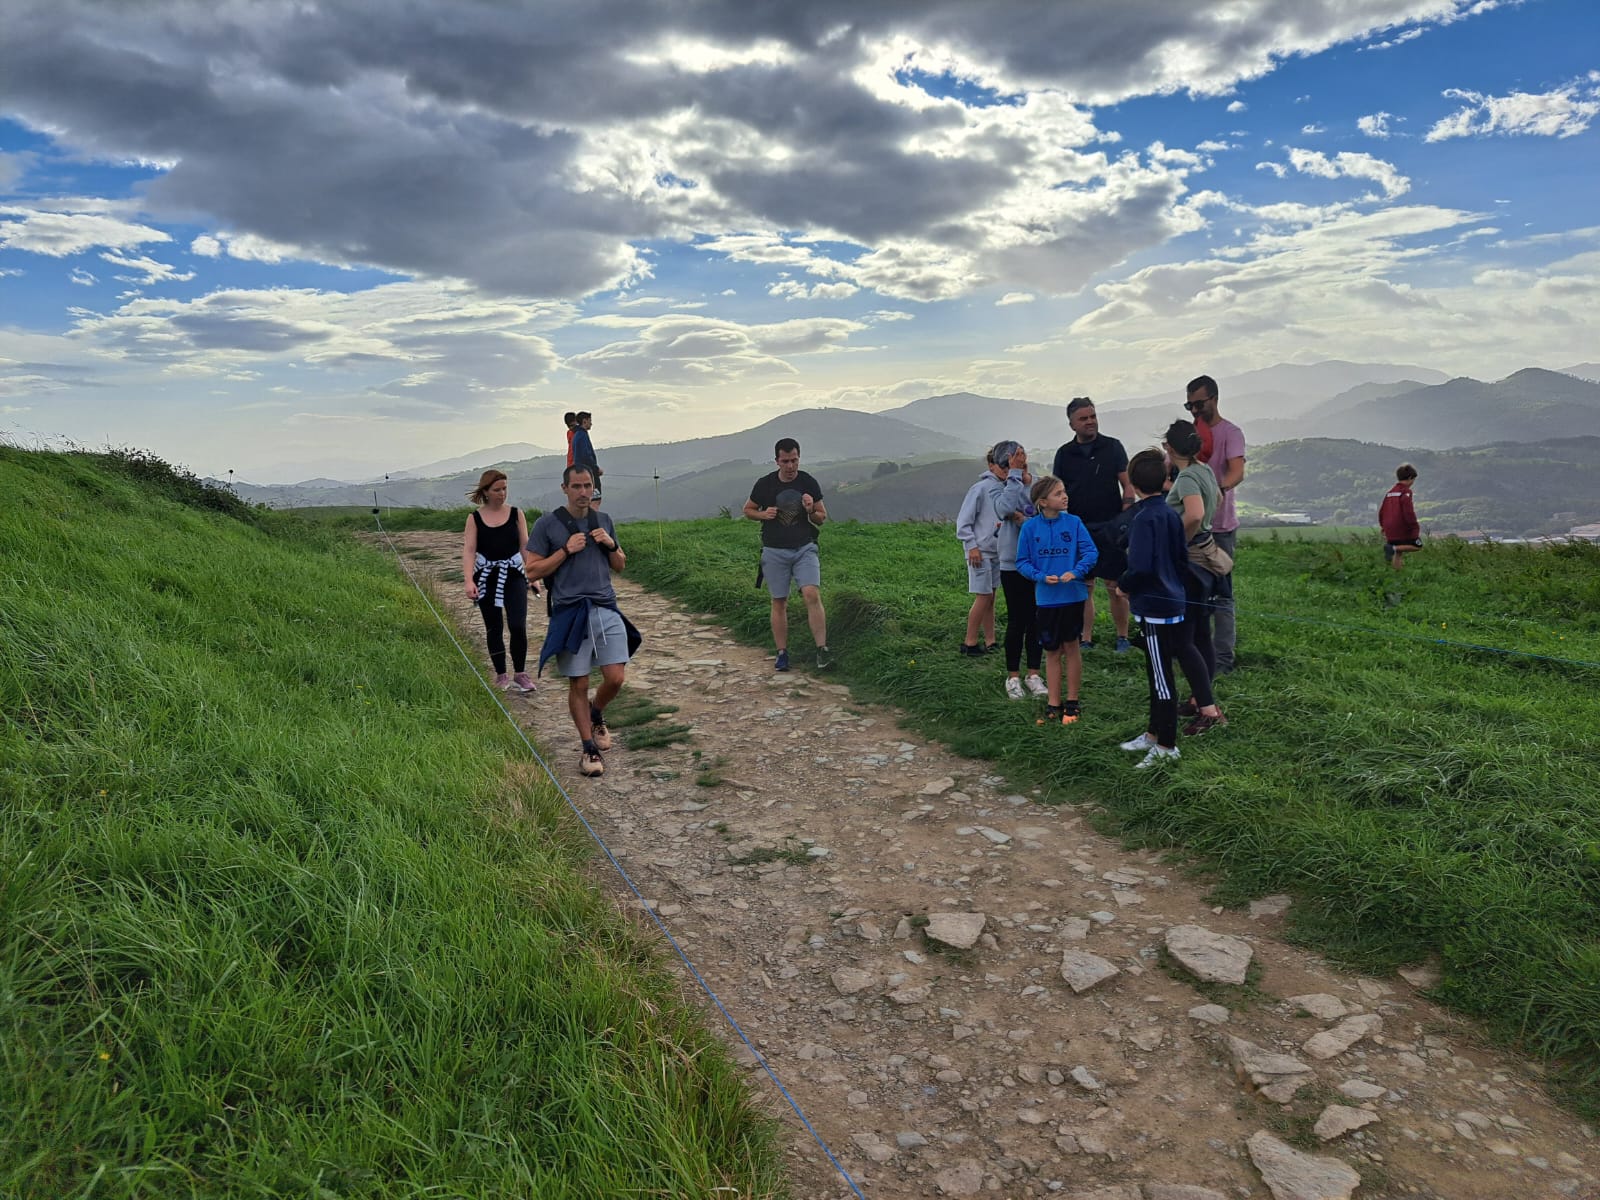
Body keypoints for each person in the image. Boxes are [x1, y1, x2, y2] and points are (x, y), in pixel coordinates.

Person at [525, 464, 640, 778]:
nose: (583, 492)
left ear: (594, 488)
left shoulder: (603, 521)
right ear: (564, 489)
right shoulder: (547, 524)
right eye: (576, 486)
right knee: (580, 681)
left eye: (588, 486)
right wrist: (565, 549)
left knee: (615, 678)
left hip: (605, 606)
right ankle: (588, 747)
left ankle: (596, 711)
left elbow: (620, 565)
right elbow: (532, 571)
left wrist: (611, 544)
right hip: (570, 611)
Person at [1110, 449, 1189, 768]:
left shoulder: (1143, 519)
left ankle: (1167, 745)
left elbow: (1140, 567)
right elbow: (1182, 558)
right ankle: (1153, 734)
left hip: (1155, 606)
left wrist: (1123, 586)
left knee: (1160, 676)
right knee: (1158, 670)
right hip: (1172, 600)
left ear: (1135, 483)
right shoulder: (1169, 512)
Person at [1051, 397, 1134, 653]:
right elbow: (1057, 489)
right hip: (1077, 529)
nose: (1090, 422)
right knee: (1083, 586)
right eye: (1083, 418)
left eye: (1093, 416)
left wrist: (1125, 517)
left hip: (1110, 527)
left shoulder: (1113, 447)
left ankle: (1123, 637)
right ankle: (1085, 638)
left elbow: (1127, 484)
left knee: (1115, 586)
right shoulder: (1064, 454)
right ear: (1072, 424)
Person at [1163, 421, 1229, 737]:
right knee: (1202, 634)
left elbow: (1194, 514)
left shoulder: (1188, 476)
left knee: (1183, 640)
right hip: (1208, 555)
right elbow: (1217, 497)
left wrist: (1178, 544)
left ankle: (1208, 710)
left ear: (1170, 448)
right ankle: (1199, 698)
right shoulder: (1204, 470)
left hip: (1191, 560)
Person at [1015, 475, 1097, 725]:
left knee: (1071, 647)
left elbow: (1091, 551)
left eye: (1064, 491)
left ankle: (1072, 701)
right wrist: (1040, 576)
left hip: (1073, 597)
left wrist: (1077, 571)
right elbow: (1022, 562)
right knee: (1051, 651)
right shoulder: (1030, 528)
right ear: (1042, 502)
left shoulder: (1074, 523)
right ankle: (1053, 702)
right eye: (1058, 493)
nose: (1065, 496)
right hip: (1046, 600)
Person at [744, 438, 831, 671]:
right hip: (774, 550)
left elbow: (822, 518)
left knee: (811, 593)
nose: (791, 466)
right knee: (779, 601)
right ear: (777, 461)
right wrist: (764, 515)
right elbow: (748, 510)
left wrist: (811, 509)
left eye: (794, 460)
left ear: (799, 458)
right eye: (785, 461)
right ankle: (782, 653)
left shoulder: (808, 482)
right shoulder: (765, 484)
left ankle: (822, 650)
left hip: (804, 547)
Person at [1186, 375, 1245, 673]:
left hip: (1221, 527)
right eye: (1190, 405)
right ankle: (1193, 652)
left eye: (1200, 404)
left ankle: (1222, 659)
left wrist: (1217, 490)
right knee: (1191, 594)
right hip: (1190, 527)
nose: (1195, 411)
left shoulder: (1230, 432)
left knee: (1222, 595)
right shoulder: (1190, 433)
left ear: (1215, 398)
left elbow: (1237, 471)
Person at [461, 469, 536, 694]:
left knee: (517, 624)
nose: (502, 493)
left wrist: (532, 575)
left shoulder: (516, 514)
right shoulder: (474, 518)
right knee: (494, 627)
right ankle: (501, 674)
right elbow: (469, 550)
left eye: (504, 488)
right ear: (486, 491)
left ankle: (521, 673)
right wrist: (468, 581)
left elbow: (525, 545)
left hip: (513, 574)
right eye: (497, 490)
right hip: (486, 576)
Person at [994, 443, 1046, 700]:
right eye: (1014, 463)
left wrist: (1024, 519)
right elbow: (1004, 509)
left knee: (1036, 619)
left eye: (1022, 460)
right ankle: (1012, 676)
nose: (1020, 464)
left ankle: (1034, 674)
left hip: (1038, 562)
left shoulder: (1038, 484)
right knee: (1017, 620)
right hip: (1012, 563)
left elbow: (1048, 513)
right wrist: (1014, 478)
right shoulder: (998, 486)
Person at [955, 445, 1015, 656]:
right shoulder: (979, 489)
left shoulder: (1008, 488)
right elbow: (963, 522)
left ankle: (991, 641)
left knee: (991, 597)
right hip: (979, 552)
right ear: (991, 465)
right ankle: (970, 642)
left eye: (1011, 466)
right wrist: (971, 546)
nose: (1007, 470)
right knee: (983, 597)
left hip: (998, 551)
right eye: (1002, 465)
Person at [1379, 464, 1423, 569]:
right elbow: (1408, 512)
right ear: (1409, 478)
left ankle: (1397, 573)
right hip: (1401, 526)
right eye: (1413, 480)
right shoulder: (1406, 492)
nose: (1413, 483)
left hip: (1389, 527)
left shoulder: (1390, 493)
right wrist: (1414, 526)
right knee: (1417, 546)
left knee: (1399, 552)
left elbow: (1382, 511)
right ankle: (1392, 548)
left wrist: (1383, 527)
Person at [571, 411, 603, 501]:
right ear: (584, 421)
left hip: (580, 472)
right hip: (589, 473)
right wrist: (596, 469)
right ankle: (593, 515)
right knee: (595, 499)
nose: (591, 424)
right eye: (590, 421)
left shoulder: (576, 435)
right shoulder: (582, 435)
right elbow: (586, 456)